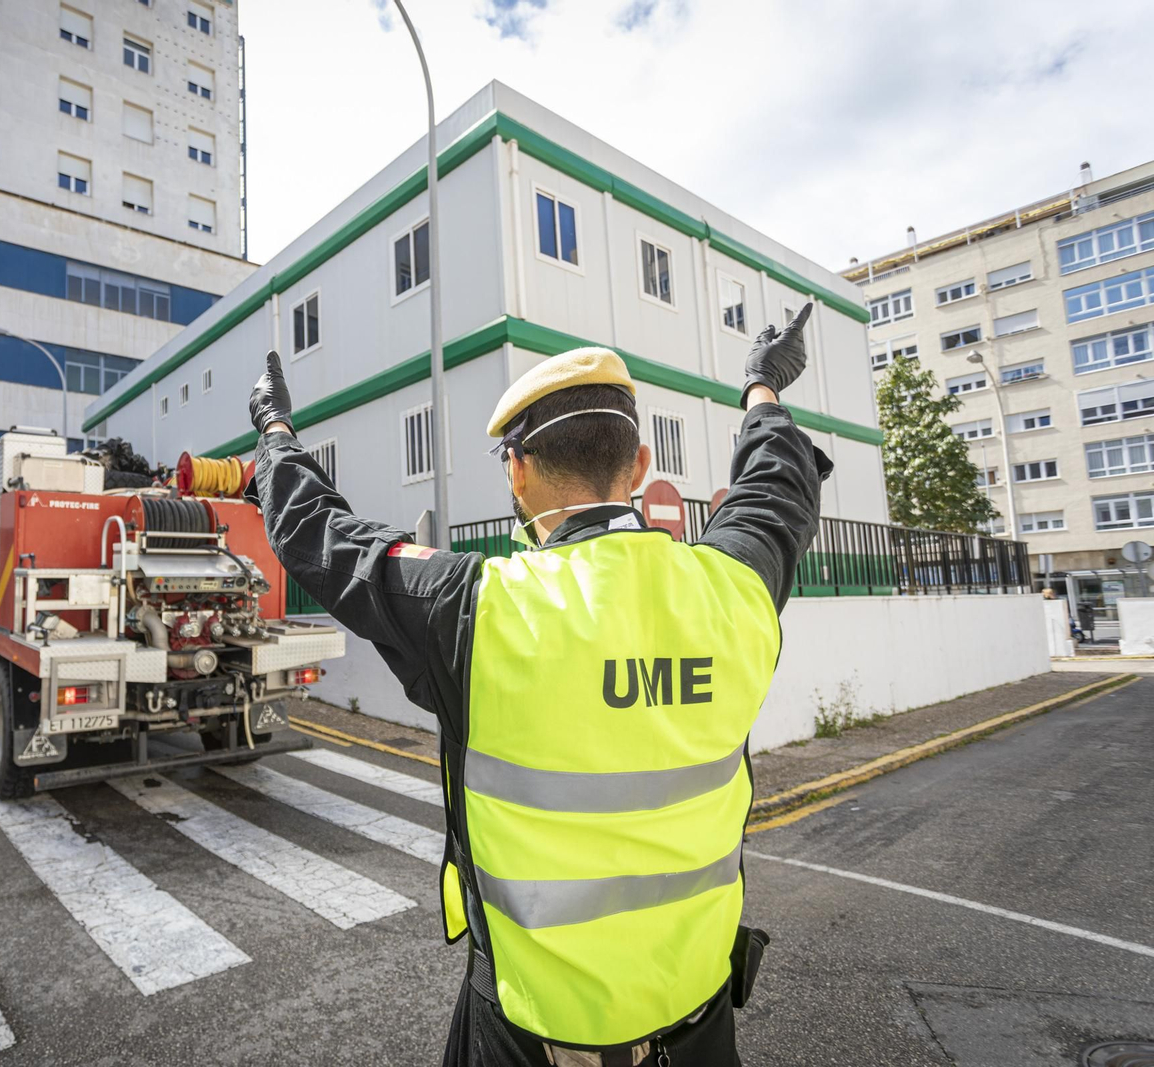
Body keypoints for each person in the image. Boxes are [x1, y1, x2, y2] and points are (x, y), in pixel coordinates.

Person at [245, 305, 831, 1067]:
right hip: (701, 1034)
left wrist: (276, 432)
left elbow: (319, 534)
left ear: (516, 472)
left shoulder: (476, 608)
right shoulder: (734, 587)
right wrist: (761, 385)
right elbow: (777, 487)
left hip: (530, 1041)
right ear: (639, 465)